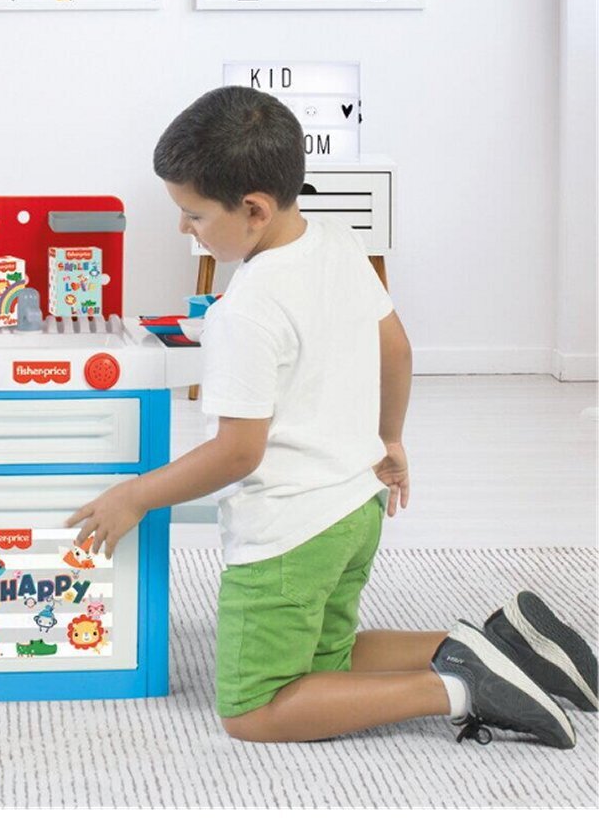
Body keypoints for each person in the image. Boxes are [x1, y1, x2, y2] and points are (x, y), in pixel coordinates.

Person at [67, 86, 596, 747]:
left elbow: (237, 453)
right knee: (328, 658)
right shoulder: (338, 242)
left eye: (193, 214)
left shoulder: (245, 311)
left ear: (253, 210)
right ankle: (506, 644)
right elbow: (396, 346)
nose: (183, 228)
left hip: (290, 535)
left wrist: (137, 496)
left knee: (255, 707)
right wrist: (390, 438)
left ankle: (461, 687)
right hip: (355, 508)